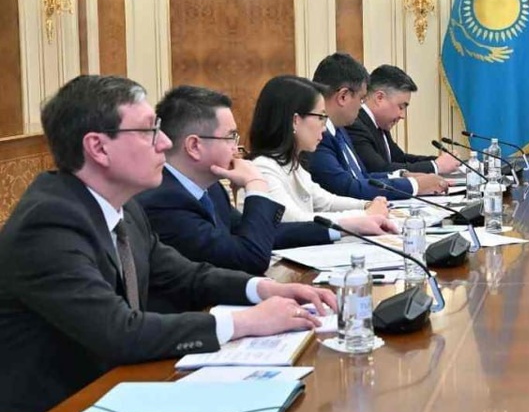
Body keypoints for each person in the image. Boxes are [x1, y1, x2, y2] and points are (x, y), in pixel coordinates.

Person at [0, 75, 335, 412]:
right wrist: (246, 322)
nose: (163, 142)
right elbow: (119, 332)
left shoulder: (124, 206)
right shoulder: (49, 222)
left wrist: (263, 288)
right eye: (149, 131)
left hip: (120, 395)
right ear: (98, 147)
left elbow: (187, 275)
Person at [136, 86, 393, 275]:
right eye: (231, 137)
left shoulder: (210, 189)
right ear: (194, 146)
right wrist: (256, 186)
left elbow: (268, 233)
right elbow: (248, 257)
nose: (236, 148)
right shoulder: (165, 200)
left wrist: (345, 228)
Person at [247, 75, 402, 226]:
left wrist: (366, 205)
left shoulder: (292, 163)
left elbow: (327, 202)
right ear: (295, 121)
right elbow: (295, 220)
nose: (324, 128)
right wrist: (365, 215)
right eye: (321, 117)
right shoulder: (264, 169)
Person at [305, 52, 446, 200]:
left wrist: (403, 175)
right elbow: (348, 188)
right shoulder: (317, 136)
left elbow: (362, 175)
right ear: (343, 96)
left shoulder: (339, 129)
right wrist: (414, 185)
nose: (361, 107)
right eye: (361, 99)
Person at [347, 65, 458, 175]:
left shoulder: (380, 124)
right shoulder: (355, 124)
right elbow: (379, 169)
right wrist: (435, 166)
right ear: (379, 98)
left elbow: (400, 159)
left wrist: (440, 161)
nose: (402, 115)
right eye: (401, 107)